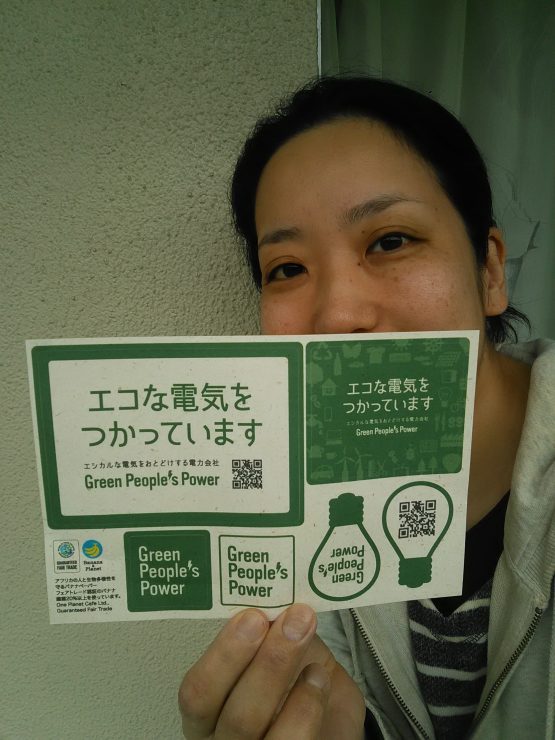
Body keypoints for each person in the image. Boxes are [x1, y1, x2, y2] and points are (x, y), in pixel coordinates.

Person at [178, 77, 555, 739]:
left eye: (390, 241)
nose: (337, 316)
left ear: (489, 270)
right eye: (286, 269)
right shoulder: (290, 500)